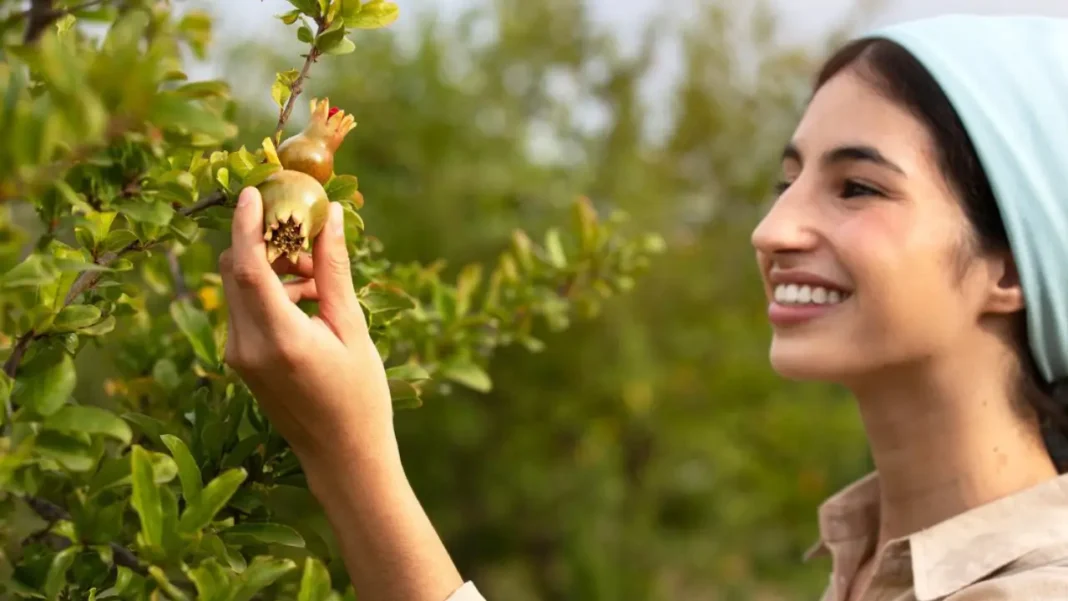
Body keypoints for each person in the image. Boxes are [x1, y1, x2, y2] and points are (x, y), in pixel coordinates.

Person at [218, 12, 1068, 601]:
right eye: (786, 181)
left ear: (1012, 263)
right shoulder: (875, 556)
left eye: (856, 186)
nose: (774, 228)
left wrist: (348, 451)